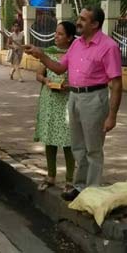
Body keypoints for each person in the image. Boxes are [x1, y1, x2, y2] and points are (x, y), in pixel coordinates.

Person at [25, 6, 123, 201]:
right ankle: (79, 186)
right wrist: (41, 55)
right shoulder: (77, 44)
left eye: (83, 19)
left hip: (94, 99)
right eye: (79, 18)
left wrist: (112, 116)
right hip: (74, 98)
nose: (78, 22)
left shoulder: (108, 46)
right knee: (78, 146)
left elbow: (117, 83)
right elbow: (60, 68)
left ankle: (92, 191)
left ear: (95, 24)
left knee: (93, 148)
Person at [34, 21, 76, 195]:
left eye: (60, 34)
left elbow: (80, 77)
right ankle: (50, 176)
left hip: (66, 100)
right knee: (50, 138)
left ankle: (70, 180)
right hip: (50, 100)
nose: (55, 36)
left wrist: (69, 84)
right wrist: (45, 81)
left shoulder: (75, 53)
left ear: (69, 37)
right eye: (55, 33)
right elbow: (38, 74)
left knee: (68, 141)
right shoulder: (49, 52)